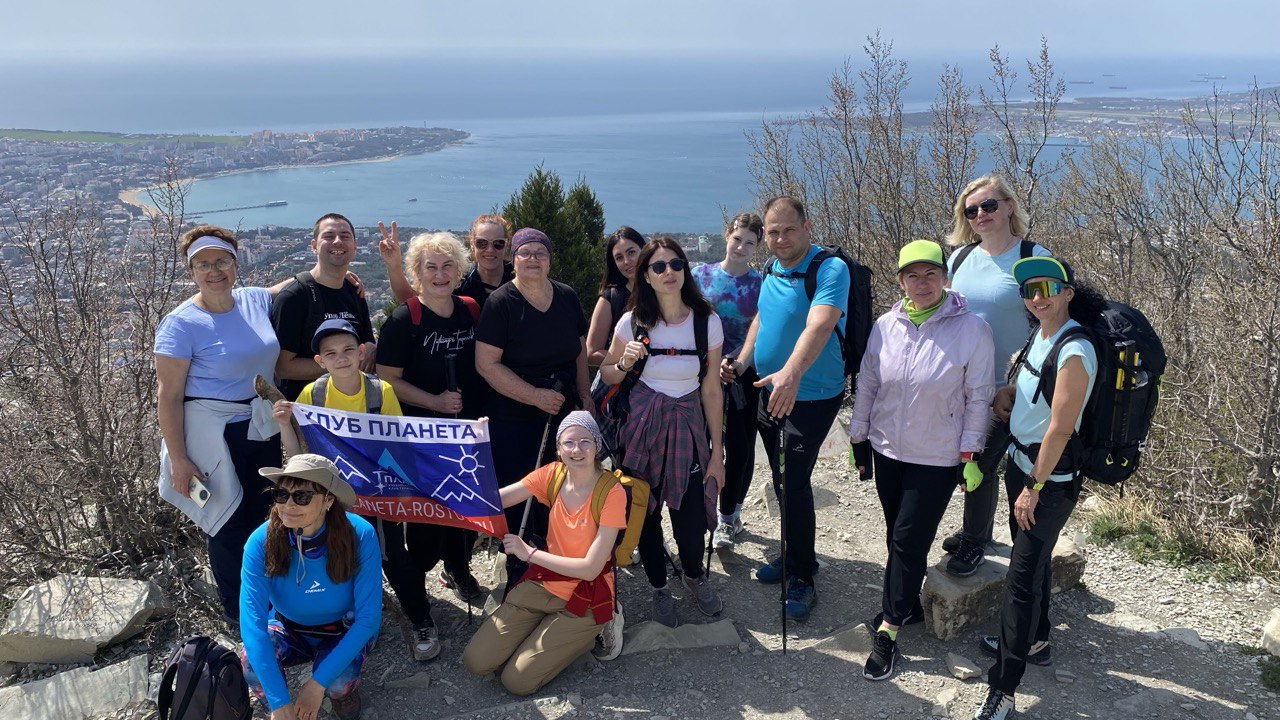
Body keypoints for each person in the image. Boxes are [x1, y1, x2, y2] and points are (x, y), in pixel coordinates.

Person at [847, 240, 994, 681]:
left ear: (945, 278)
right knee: (897, 533)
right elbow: (868, 382)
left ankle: (889, 631)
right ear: (901, 281)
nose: (922, 282)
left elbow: (979, 397)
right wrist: (859, 437)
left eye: (931, 273)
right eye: (912, 275)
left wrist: (970, 453)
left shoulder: (973, 329)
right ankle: (908, 605)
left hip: (937, 456)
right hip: (888, 449)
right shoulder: (885, 326)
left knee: (908, 541)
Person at [972, 256, 1104, 720]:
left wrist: (1034, 486)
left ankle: (1004, 688)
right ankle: (1037, 639)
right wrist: (1008, 394)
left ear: (1069, 292)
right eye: (1029, 290)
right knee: (1034, 561)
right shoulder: (1042, 335)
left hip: (1048, 481)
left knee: (1020, 582)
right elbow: (1035, 395)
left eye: (1047, 287)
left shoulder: (1075, 349)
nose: (1037, 297)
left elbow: (1061, 428)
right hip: (1022, 466)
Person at [726, 196, 848, 621]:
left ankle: (802, 575)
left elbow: (821, 323)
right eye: (773, 232)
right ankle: (794, 553)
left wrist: (791, 373)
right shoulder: (771, 268)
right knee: (781, 479)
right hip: (769, 390)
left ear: (807, 227)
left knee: (793, 481)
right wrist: (742, 361)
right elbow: (762, 319)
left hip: (810, 394)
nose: (780, 239)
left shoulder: (829, 269)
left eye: (788, 230)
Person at [154, 225, 282, 623]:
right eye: (203, 264)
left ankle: (272, 601)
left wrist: (340, 274)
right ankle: (239, 613)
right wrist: (179, 459)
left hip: (259, 424)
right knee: (227, 522)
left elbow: (291, 287)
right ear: (191, 271)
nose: (214, 271)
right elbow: (168, 396)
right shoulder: (181, 324)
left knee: (265, 513)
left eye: (222, 261)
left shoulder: (253, 300)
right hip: (212, 431)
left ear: (235, 263)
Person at [599, 237, 725, 627]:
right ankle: (658, 586)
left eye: (676, 264)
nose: (668, 272)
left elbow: (711, 389)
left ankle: (693, 574)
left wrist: (717, 454)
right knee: (645, 511)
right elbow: (607, 375)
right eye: (658, 267)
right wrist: (623, 362)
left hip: (687, 428)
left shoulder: (706, 322)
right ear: (647, 277)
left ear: (685, 270)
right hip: (641, 429)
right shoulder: (631, 322)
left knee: (690, 519)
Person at [463, 412, 626, 695]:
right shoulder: (553, 474)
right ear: (559, 449)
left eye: (585, 441)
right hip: (547, 582)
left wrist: (529, 554)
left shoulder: (611, 492)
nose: (576, 449)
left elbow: (590, 568)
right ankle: (548, 631)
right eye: (569, 442)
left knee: (517, 682)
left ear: (597, 446)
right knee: (476, 661)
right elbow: (495, 501)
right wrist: (476, 447)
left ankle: (606, 619)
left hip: (586, 595)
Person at [940, 176, 1055, 577]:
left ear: (1009, 206)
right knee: (971, 459)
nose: (980, 215)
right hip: (965, 382)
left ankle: (975, 542)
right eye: (971, 210)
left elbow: (1053, 321)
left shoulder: (1032, 257)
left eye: (989, 206)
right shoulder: (959, 258)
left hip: (1014, 385)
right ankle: (980, 530)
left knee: (980, 460)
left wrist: (1018, 379)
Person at [377, 231, 490, 639]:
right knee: (425, 517)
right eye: (431, 267)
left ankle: (458, 569)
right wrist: (435, 402)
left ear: (459, 271)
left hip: (467, 432)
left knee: (465, 510)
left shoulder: (471, 309)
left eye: (447, 266)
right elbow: (387, 379)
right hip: (422, 435)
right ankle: (419, 585)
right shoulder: (403, 320)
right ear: (417, 273)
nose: (440, 275)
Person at [475, 227, 591, 581]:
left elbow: (579, 352)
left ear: (550, 259)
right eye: (524, 252)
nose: (533, 258)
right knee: (520, 488)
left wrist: (585, 396)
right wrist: (534, 395)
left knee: (563, 482)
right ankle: (518, 565)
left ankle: (559, 555)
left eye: (540, 252)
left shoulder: (567, 296)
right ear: (513, 259)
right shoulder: (501, 304)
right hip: (514, 414)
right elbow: (486, 364)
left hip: (563, 409)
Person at [240, 454, 381, 720]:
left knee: (338, 682)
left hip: (343, 628)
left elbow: (369, 618)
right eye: (281, 495)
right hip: (289, 628)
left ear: (328, 500)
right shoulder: (260, 542)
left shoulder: (360, 534)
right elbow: (252, 627)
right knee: (250, 661)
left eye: (302, 497)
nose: (288, 506)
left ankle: (343, 695)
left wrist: (317, 685)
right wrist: (278, 702)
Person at [693, 213, 764, 551]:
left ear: (757, 247)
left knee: (740, 447)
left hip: (743, 374)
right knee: (700, 444)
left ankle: (729, 517)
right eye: (737, 239)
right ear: (726, 236)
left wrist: (735, 361)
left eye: (750, 243)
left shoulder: (761, 285)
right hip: (701, 373)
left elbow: (762, 330)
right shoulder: (699, 276)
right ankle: (698, 509)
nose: (741, 247)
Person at [271, 213, 376, 401]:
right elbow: (283, 367)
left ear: (354, 246)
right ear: (314, 246)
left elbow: (367, 340)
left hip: (353, 406)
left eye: (345, 236)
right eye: (329, 236)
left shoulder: (354, 291)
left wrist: (370, 347)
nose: (338, 241)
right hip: (306, 409)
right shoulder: (294, 297)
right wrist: (342, 365)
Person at [585, 226, 646, 367]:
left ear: (644, 250)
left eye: (631, 252)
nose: (626, 261)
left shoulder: (664, 291)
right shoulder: (611, 298)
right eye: (619, 258)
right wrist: (627, 358)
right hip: (624, 378)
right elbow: (591, 354)